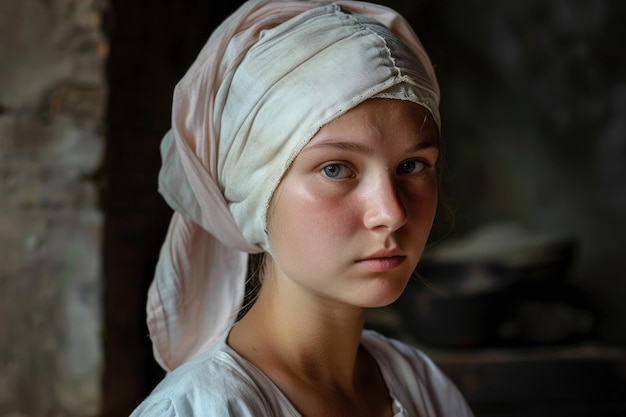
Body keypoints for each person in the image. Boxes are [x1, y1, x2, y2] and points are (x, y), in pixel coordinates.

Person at [131, 0, 474, 416]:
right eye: (335, 169)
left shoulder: (419, 384)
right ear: (258, 190)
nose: (392, 212)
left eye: (411, 166)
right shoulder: (203, 408)